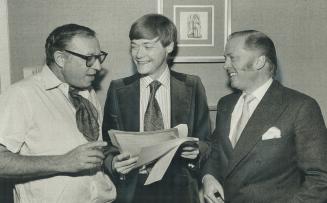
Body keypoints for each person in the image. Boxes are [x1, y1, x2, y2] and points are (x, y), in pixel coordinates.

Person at [201, 30, 327, 203]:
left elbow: (320, 179)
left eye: (232, 58)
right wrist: (208, 177)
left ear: (259, 61)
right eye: (225, 58)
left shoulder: (301, 107)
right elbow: (215, 152)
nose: (225, 65)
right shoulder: (225, 104)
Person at [0, 24, 116, 202]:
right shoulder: (21, 94)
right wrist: (62, 162)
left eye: (99, 57)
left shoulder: (88, 93)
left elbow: (91, 152)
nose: (98, 66)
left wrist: (113, 161)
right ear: (61, 59)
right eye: (90, 58)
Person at [102, 14, 211, 203]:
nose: (138, 54)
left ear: (169, 46)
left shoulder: (192, 86)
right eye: (134, 46)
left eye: (147, 46)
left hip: (180, 192)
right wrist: (113, 162)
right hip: (132, 192)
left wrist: (197, 150)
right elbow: (107, 145)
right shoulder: (118, 89)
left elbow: (207, 142)